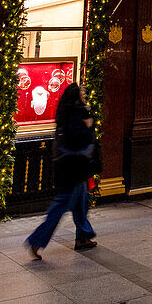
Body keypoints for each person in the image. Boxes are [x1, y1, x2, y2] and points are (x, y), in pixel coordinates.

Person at [26, 83, 99, 259]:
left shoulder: (65, 112)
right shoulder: (75, 114)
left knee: (81, 201)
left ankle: (83, 236)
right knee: (60, 206)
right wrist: (88, 126)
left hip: (69, 166)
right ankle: (36, 240)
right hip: (73, 167)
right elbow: (78, 139)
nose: (83, 95)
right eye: (81, 92)